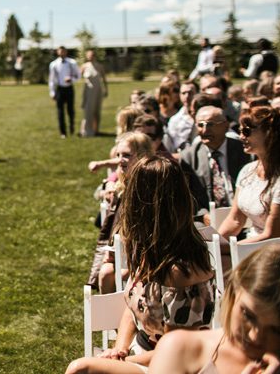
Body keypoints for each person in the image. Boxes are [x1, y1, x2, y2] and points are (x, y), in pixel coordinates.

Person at [68, 157, 216, 374]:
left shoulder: (180, 270)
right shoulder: (153, 249)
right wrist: (119, 348)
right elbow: (133, 308)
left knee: (80, 368)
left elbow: (176, 352)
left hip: (174, 366)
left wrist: (125, 360)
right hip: (144, 352)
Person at [148, 243, 280, 374]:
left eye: (276, 330)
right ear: (233, 292)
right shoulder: (180, 349)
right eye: (248, 315)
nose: (255, 336)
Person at [88, 131, 154, 294]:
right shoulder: (121, 183)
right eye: (118, 155)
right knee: (106, 273)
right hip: (123, 250)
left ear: (142, 156)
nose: (119, 160)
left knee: (116, 274)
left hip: (148, 252)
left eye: (126, 155)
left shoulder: (150, 186)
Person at [218, 105, 280, 242]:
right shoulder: (247, 171)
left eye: (246, 131)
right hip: (249, 244)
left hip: (279, 252)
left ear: (269, 133)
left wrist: (232, 249)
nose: (241, 136)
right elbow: (235, 219)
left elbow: (271, 235)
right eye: (240, 131)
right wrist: (214, 243)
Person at [180, 106, 250, 217]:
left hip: (244, 215)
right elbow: (188, 197)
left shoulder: (244, 151)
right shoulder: (188, 158)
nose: (204, 130)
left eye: (210, 124)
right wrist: (203, 216)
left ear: (226, 126)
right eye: (200, 125)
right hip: (208, 221)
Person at [49, 46, 81, 138]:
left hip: (69, 88)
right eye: (60, 51)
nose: (62, 53)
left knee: (71, 110)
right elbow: (51, 80)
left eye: (64, 51)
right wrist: (52, 92)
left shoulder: (72, 63)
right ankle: (63, 132)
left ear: (66, 52)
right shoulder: (53, 64)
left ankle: (72, 128)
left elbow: (78, 75)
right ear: (58, 52)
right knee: (60, 111)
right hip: (59, 89)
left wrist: (71, 79)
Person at [80, 49, 108, 137]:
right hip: (88, 91)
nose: (90, 57)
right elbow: (77, 76)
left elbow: (104, 79)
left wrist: (106, 89)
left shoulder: (99, 66)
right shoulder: (84, 66)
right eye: (89, 55)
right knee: (88, 111)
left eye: (92, 55)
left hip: (98, 91)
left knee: (97, 111)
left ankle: (96, 129)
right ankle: (86, 131)